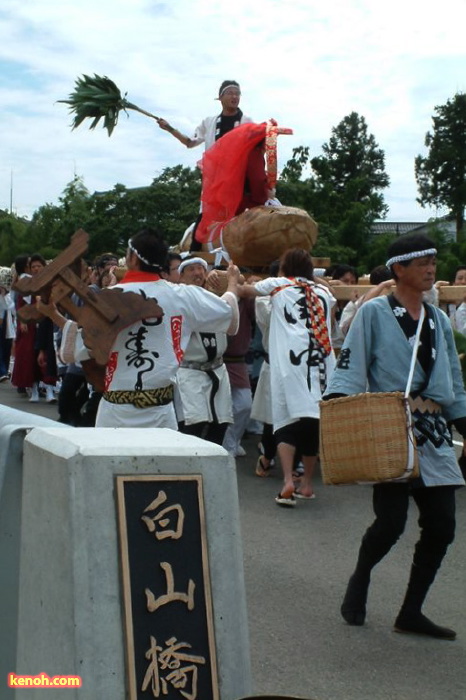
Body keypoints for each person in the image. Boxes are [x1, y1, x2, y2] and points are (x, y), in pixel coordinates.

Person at [325, 233, 466, 640]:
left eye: (432, 261)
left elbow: (452, 380)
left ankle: (411, 610)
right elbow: (350, 367)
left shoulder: (438, 319)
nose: (430, 268)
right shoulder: (374, 314)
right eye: (421, 262)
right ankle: (361, 576)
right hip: (389, 428)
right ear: (398, 269)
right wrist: (336, 409)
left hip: (434, 432)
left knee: (442, 526)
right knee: (390, 523)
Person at [48, 228, 240, 429]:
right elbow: (229, 315)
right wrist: (233, 283)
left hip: (116, 412)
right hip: (161, 411)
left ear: (131, 258)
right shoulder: (183, 296)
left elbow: (75, 351)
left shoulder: (108, 299)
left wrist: (54, 314)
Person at [239, 248, 336, 505]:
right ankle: (306, 485)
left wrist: (231, 278)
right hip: (321, 369)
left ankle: (287, 481)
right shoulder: (325, 293)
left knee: (285, 420)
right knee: (312, 422)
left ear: (284, 269)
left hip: (288, 367)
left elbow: (245, 291)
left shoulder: (279, 285)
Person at [176, 256, 234, 444]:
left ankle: (212, 465)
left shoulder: (214, 295)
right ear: (181, 276)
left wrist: (225, 277)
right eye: (191, 269)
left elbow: (242, 283)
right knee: (193, 423)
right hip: (190, 370)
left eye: (200, 268)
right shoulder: (179, 298)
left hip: (217, 368)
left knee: (221, 422)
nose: (197, 273)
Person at [157, 80, 252, 152]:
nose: (234, 96)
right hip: (214, 173)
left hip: (240, 174)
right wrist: (169, 128)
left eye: (237, 94)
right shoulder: (209, 122)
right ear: (220, 97)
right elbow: (190, 142)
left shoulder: (247, 122)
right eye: (230, 93)